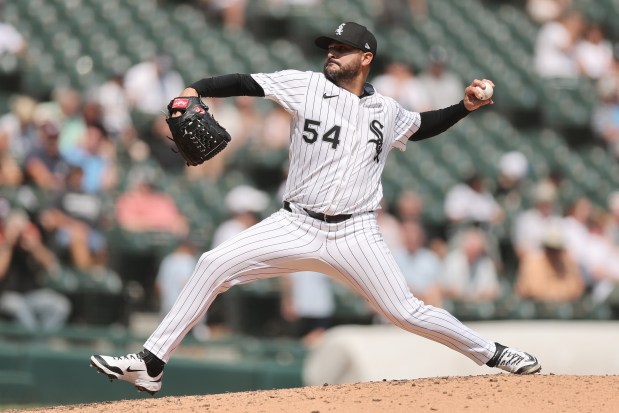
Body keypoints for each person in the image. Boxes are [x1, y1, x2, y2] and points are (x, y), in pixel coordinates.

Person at [90, 21, 541, 395]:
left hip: (356, 234)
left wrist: (464, 106)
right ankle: (151, 364)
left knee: (405, 311)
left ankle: (495, 353)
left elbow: (422, 126)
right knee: (212, 263)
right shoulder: (304, 85)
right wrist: (195, 88)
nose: (332, 53)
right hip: (295, 223)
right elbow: (245, 82)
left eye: (342, 48)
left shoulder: (386, 109)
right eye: (330, 46)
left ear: (366, 58)